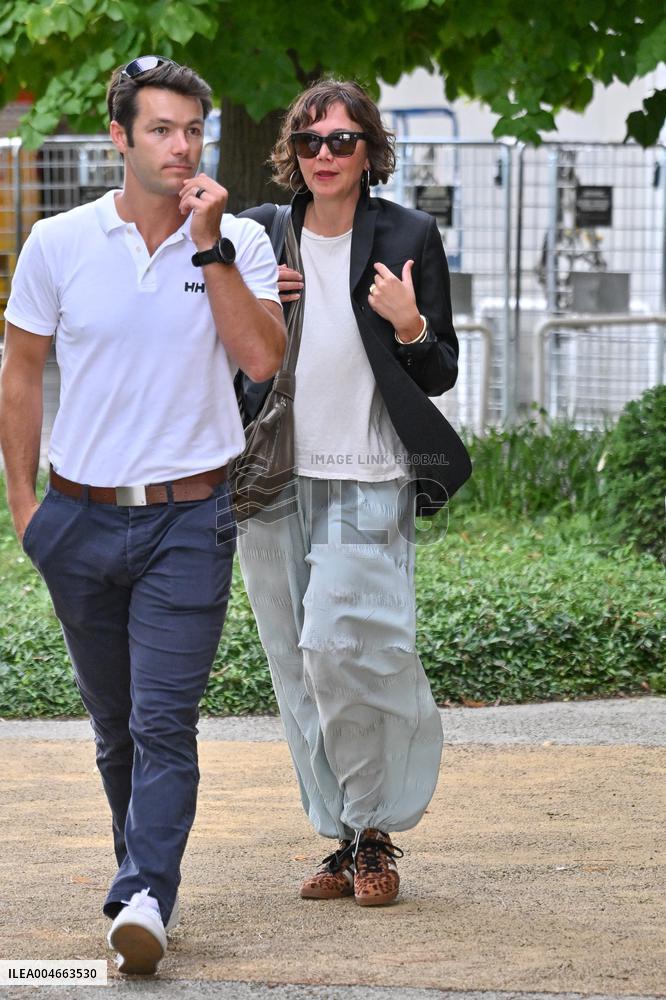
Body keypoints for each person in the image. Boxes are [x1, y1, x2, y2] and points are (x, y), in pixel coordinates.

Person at [0, 56, 285, 974]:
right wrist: (24, 507)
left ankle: (144, 896)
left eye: (192, 130)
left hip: (188, 521)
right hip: (77, 522)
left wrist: (209, 245)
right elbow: (19, 371)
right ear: (119, 138)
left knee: (166, 721)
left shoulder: (235, 239)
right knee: (115, 726)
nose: (182, 146)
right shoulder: (58, 242)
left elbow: (262, 360)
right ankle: (141, 871)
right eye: (162, 130)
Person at [237, 80, 471, 907]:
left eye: (341, 140)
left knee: (349, 647)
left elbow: (440, 370)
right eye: (310, 142)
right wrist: (260, 306)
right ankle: (342, 836)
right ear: (291, 154)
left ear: (369, 147)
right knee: (296, 662)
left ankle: (378, 826)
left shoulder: (407, 232)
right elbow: (225, 352)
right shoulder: (263, 235)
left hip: (368, 473)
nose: (325, 155)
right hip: (274, 475)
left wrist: (408, 322)